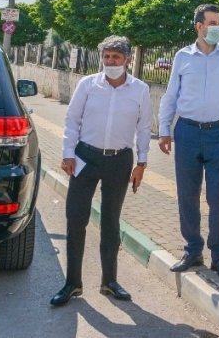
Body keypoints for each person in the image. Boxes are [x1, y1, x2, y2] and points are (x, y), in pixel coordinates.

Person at [158, 3, 219, 280]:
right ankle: (192, 250)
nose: (218, 28)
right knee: (187, 195)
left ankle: (218, 255)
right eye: (213, 22)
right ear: (199, 26)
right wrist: (164, 129)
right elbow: (171, 95)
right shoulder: (183, 56)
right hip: (187, 132)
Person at [51, 35, 152, 306]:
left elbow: (144, 129)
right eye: (106, 57)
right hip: (85, 157)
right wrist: (67, 154)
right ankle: (72, 283)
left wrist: (142, 163)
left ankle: (109, 281)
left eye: (116, 57)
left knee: (111, 221)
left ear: (127, 60)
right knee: (76, 218)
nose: (110, 62)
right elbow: (72, 119)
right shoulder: (88, 85)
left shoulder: (140, 89)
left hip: (120, 161)